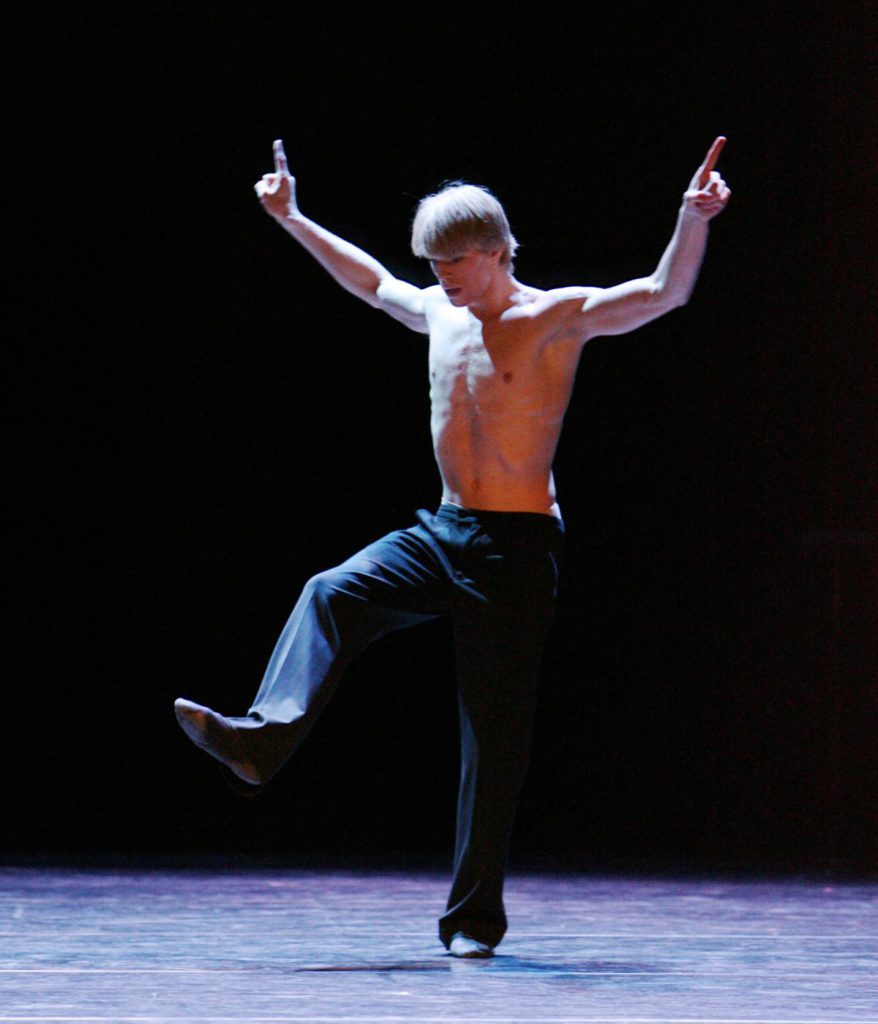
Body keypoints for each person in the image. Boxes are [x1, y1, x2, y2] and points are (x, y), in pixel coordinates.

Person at [175, 138, 731, 957]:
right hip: (443, 531)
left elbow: (662, 292)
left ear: (499, 249)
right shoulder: (439, 310)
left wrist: (691, 218)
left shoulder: (552, 317)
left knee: (490, 736)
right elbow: (371, 283)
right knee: (331, 591)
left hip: (515, 547)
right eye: (434, 264)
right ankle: (261, 739)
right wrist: (293, 217)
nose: (444, 278)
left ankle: (473, 920)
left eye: (456, 262)